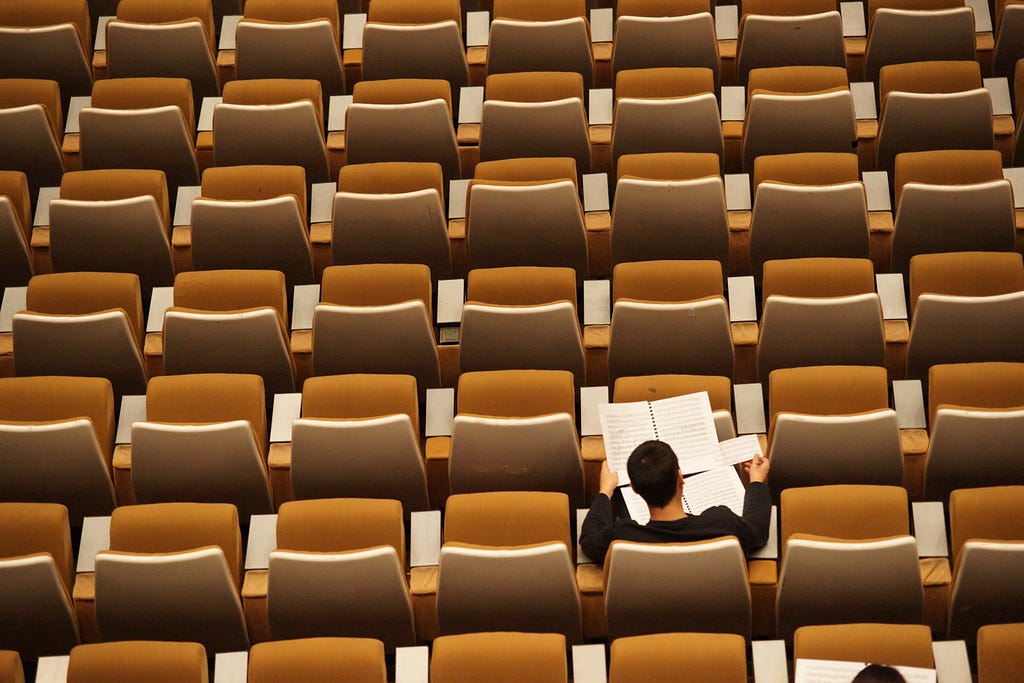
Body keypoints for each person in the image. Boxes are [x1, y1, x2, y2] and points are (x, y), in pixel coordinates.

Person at [579, 439, 772, 563]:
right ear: (680, 478)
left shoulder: (623, 537)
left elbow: (588, 540)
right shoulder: (722, 523)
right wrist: (756, 481)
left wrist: (605, 490)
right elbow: (757, 530)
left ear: (635, 489)